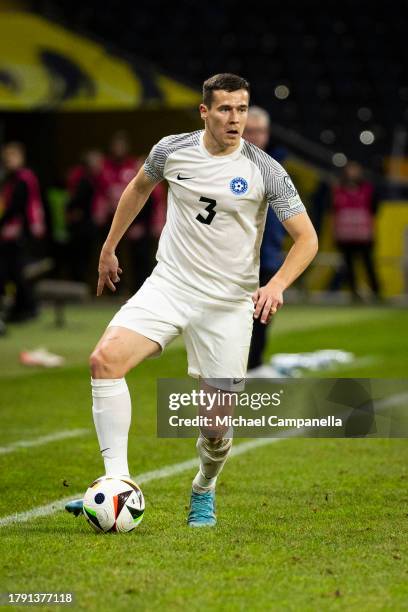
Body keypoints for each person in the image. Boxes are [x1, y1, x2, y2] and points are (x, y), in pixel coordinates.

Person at [65, 73, 318, 527]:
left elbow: (307, 240)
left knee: (216, 429)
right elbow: (139, 187)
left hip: (228, 303)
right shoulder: (171, 149)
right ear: (205, 112)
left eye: (241, 109)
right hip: (171, 285)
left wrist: (276, 284)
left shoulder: (266, 170)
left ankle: (204, 486)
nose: (235, 118)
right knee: (104, 361)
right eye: (225, 109)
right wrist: (109, 247)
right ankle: (116, 484)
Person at [244, 106, 286, 374]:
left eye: (260, 131)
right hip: (236, 257)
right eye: (250, 131)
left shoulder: (276, 167)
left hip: (268, 253)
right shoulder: (223, 166)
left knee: (262, 314)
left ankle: (255, 364)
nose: (256, 137)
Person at [0, 142, 45, 323]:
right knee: (13, 271)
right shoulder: (12, 178)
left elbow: (18, 207)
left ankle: (28, 307)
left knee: (18, 272)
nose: (9, 160)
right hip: (14, 232)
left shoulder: (23, 178)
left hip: (22, 232)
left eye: (12, 156)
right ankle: (20, 307)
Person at [332, 161, 380, 300]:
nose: (352, 172)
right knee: (349, 266)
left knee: (368, 264)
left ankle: (376, 291)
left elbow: (374, 211)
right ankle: (354, 293)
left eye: (355, 170)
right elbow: (334, 211)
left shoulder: (368, 189)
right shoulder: (338, 189)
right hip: (345, 236)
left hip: (364, 235)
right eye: (350, 170)